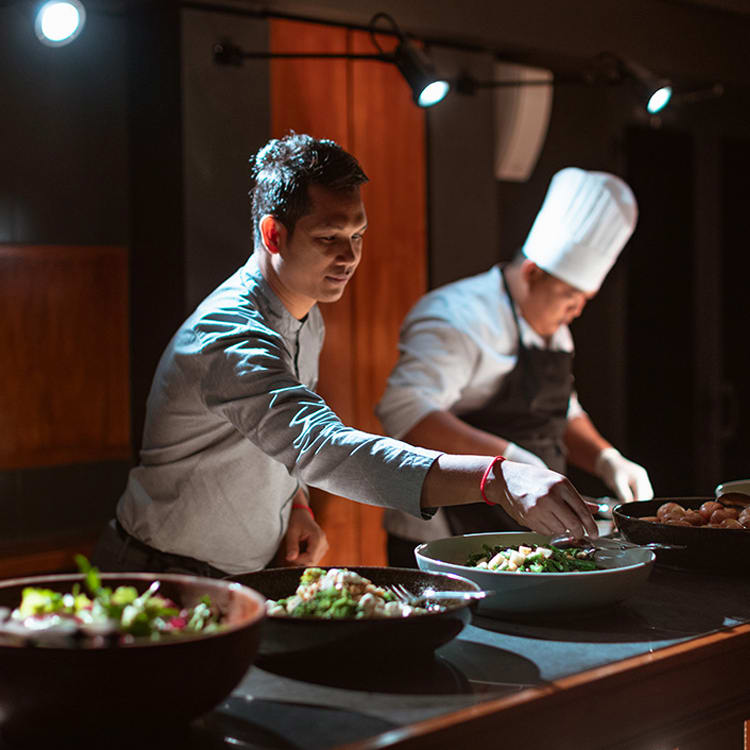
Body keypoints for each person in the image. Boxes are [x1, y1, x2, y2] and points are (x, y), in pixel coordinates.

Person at [92, 136, 598, 578]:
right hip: (160, 571)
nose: (350, 257)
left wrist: (297, 505)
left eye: (357, 236)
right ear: (273, 235)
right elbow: (320, 445)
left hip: (240, 574)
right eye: (328, 238)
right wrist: (497, 477)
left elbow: (273, 436)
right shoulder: (231, 334)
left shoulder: (306, 315)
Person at [376, 167, 654, 567]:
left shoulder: (554, 328)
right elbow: (406, 415)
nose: (577, 311)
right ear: (532, 272)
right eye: (570, 296)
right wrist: (510, 462)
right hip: (443, 536)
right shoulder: (455, 316)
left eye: (585, 299)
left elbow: (562, 410)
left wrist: (606, 458)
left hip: (520, 530)